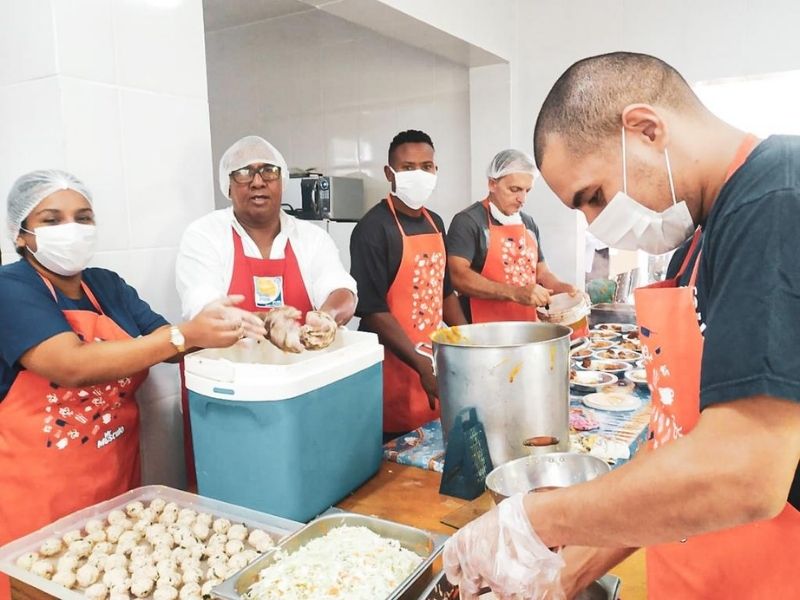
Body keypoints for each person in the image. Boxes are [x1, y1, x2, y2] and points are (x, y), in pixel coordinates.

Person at [444, 52, 800, 600]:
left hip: (768, 573)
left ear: (646, 130)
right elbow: (674, 438)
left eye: (592, 197)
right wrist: (565, 575)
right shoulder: (702, 236)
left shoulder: (777, 204)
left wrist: (537, 521)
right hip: (695, 569)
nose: (593, 223)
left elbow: (745, 470)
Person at [0, 170, 265, 600]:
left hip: (117, 495)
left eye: (83, 217)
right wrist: (183, 335)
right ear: (22, 235)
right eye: (52, 220)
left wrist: (227, 326)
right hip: (38, 506)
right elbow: (68, 363)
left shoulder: (106, 286)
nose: (72, 229)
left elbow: (169, 343)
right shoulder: (10, 289)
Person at [175, 135, 357, 481]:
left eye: (268, 171)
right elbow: (204, 308)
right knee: (232, 490)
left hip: (300, 394)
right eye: (243, 173)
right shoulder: (204, 235)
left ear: (282, 182)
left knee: (306, 481)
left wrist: (327, 317)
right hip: (228, 401)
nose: (257, 181)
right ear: (228, 186)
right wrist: (268, 322)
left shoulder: (311, 238)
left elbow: (340, 287)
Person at [350, 130, 466, 441]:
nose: (419, 174)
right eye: (407, 167)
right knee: (398, 463)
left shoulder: (436, 223)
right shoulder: (372, 229)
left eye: (426, 166)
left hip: (432, 364)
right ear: (390, 173)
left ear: (435, 170)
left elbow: (445, 293)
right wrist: (420, 364)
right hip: (394, 370)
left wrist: (472, 340)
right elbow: (372, 312)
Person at [446, 149, 576, 323]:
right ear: (492, 184)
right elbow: (457, 276)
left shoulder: (528, 224)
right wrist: (514, 293)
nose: (522, 199)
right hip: (481, 332)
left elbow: (542, 273)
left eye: (527, 191)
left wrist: (562, 288)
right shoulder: (468, 222)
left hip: (525, 328)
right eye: (515, 189)